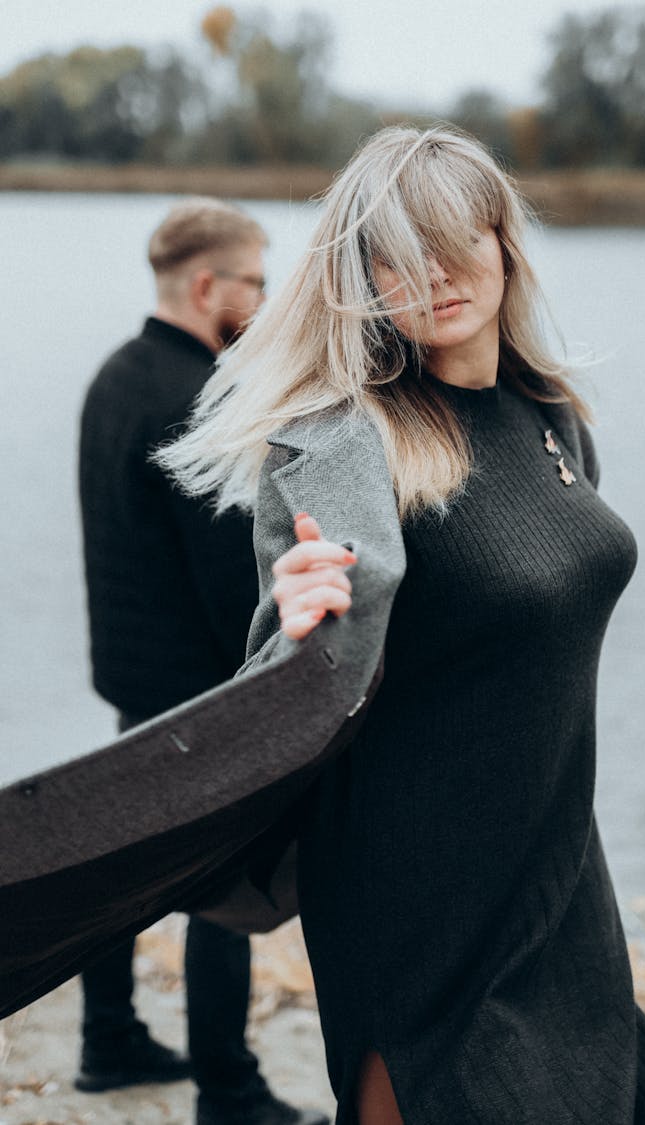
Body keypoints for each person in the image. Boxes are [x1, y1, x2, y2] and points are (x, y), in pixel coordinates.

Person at [158, 130, 645, 1124]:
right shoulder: (350, 437)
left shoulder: (552, 417)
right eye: (393, 255)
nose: (430, 274)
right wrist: (293, 615)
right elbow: (310, 647)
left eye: (451, 237)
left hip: (556, 879)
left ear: (502, 240)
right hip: (416, 893)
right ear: (361, 280)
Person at [78, 198, 329, 1125]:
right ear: (205, 284)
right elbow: (230, 569)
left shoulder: (114, 375)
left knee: (110, 865)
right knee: (224, 888)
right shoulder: (196, 392)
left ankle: (109, 1037)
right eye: (257, 282)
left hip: (130, 668)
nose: (265, 303)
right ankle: (228, 1086)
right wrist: (274, 673)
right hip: (195, 683)